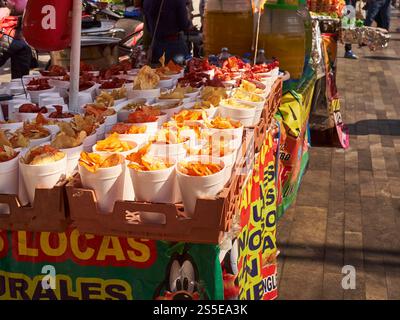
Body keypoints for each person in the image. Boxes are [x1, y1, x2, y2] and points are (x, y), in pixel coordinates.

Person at [142, 0, 191, 64]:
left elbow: (147, 27)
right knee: (179, 72)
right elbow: (184, 25)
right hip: (175, 46)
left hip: (156, 46)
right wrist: (188, 17)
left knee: (158, 72)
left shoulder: (147, 1)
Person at [0, 0, 32, 79]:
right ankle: (19, 85)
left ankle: (19, 85)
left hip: (12, 33)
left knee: (23, 48)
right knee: (23, 47)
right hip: (6, 33)